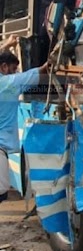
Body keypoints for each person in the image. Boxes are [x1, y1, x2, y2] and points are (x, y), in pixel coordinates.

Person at [0, 36, 49, 203]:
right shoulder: (9, 83)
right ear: (4, 67)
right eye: (14, 69)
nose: (15, 73)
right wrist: (53, 61)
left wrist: (5, 45)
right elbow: (40, 71)